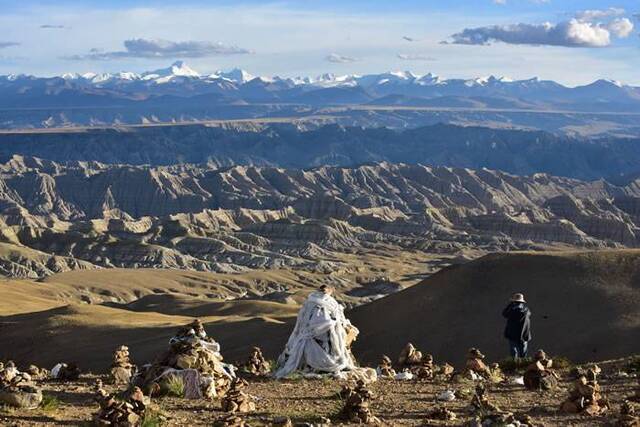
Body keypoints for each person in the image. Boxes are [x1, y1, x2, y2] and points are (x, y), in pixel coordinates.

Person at [274, 285, 359, 378]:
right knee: (327, 352)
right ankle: (320, 367)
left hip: (310, 334)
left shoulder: (309, 302)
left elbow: (302, 320)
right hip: (321, 335)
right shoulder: (326, 303)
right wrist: (334, 322)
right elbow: (322, 320)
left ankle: (308, 366)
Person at [502, 293, 531, 359]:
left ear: (514, 302)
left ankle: (515, 367)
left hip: (513, 335)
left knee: (514, 353)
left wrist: (510, 305)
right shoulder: (527, 310)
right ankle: (522, 367)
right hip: (523, 335)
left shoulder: (512, 311)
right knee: (523, 354)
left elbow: (504, 313)